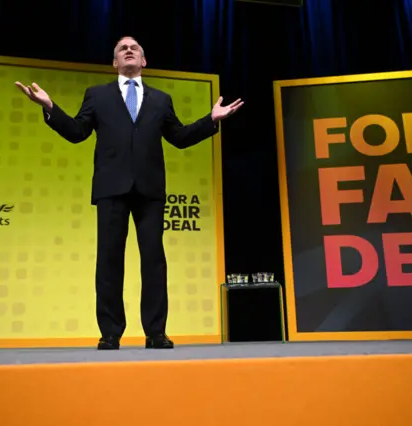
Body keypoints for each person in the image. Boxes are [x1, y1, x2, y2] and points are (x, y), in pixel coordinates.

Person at [15, 36, 243, 350]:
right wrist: (50, 107)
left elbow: (178, 137)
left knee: (154, 261)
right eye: (122, 48)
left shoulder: (161, 100)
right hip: (111, 188)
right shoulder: (97, 95)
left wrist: (211, 121)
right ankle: (110, 333)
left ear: (144, 61)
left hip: (149, 190)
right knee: (109, 261)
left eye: (134, 47)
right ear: (115, 63)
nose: (128, 49)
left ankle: (156, 332)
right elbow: (78, 132)